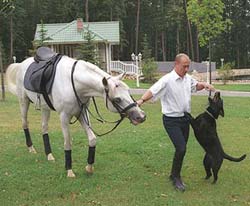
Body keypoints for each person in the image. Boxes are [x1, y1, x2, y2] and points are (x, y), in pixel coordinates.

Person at [137, 53, 215, 192]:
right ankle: (176, 178)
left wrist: (204, 85)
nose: (186, 69)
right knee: (181, 148)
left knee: (181, 148)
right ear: (176, 64)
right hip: (171, 120)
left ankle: (173, 174)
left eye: (188, 66)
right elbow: (152, 91)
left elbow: (195, 86)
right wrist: (141, 101)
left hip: (185, 119)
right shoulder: (167, 80)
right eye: (184, 66)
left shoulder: (187, 78)